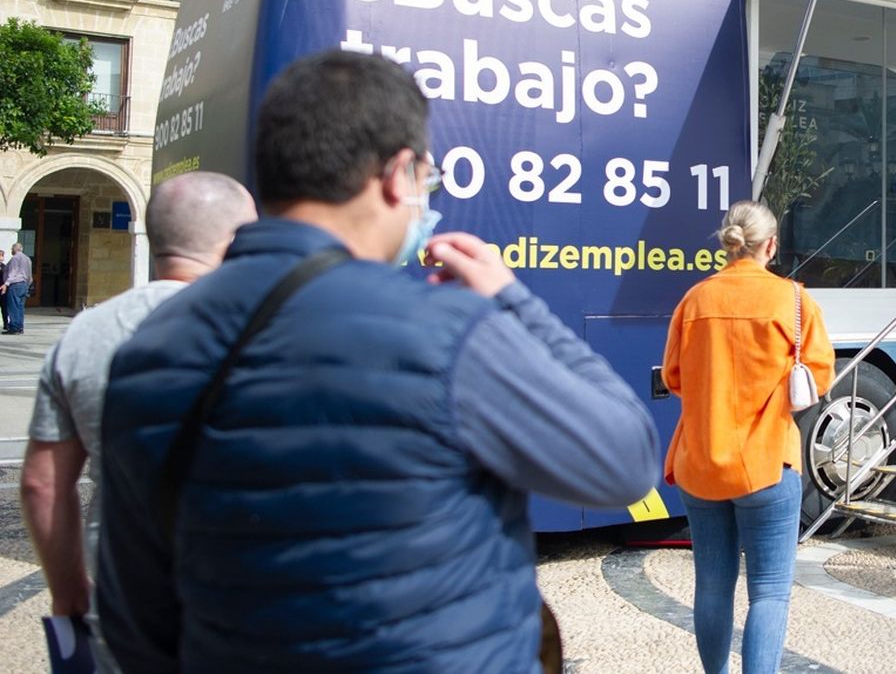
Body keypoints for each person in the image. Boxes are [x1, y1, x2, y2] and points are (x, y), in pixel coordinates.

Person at [97, 50, 661, 672]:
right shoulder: (444, 331)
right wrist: (511, 299)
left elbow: (134, 613)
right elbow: (625, 462)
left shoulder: (148, 350)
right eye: (429, 180)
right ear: (398, 176)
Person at [21, 172, 257, 673]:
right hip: (244, 600)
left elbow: (43, 485)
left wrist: (68, 591)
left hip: (121, 596)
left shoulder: (85, 332)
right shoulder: (265, 326)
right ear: (237, 240)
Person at [661, 200, 835, 674]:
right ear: (771, 246)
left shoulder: (694, 300)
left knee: (712, 586)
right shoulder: (793, 300)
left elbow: (674, 377)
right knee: (770, 592)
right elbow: (819, 378)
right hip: (767, 461)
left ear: (729, 243)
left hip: (701, 460)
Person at [3, 242, 33, 333]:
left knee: (13, 306)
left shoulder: (15, 258)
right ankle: (20, 327)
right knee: (20, 307)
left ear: (14, 249)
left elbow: (13, 272)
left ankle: (14, 327)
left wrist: (6, 284)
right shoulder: (27, 259)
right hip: (24, 285)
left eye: (12, 249)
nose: (11, 251)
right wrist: (28, 284)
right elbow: (29, 274)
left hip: (15, 285)